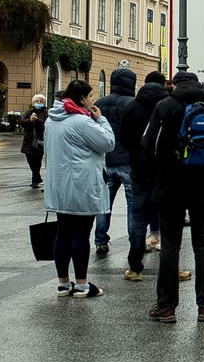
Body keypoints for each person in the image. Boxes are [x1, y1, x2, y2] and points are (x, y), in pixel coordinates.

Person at [144, 72, 204, 324]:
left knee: (171, 246)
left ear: (174, 85)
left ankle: (166, 307)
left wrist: (161, 169)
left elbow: (148, 144)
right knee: (203, 244)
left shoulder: (164, 106)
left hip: (170, 186)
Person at [43, 79, 116, 298]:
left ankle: (64, 284)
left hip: (58, 185)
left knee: (63, 234)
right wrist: (100, 119)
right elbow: (108, 143)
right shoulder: (81, 122)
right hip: (81, 185)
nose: (93, 100)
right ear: (82, 99)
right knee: (81, 234)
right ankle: (83, 285)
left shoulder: (51, 119)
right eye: (91, 96)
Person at [119, 71, 190, 282]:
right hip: (165, 171)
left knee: (139, 219)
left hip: (139, 171)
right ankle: (172, 269)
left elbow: (123, 138)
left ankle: (135, 268)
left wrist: (135, 154)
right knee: (169, 221)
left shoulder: (132, 106)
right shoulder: (170, 106)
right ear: (164, 85)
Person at [93, 68, 137, 257]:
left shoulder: (99, 104)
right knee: (133, 204)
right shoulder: (132, 104)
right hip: (127, 160)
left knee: (104, 203)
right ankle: (134, 241)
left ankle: (100, 240)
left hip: (106, 160)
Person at [20, 94, 48, 188]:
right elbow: (22, 123)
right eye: (37, 101)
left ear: (44, 103)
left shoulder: (46, 113)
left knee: (37, 160)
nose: (39, 102)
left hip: (40, 140)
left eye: (41, 101)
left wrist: (37, 120)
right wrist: (30, 120)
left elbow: (46, 124)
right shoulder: (29, 112)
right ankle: (37, 176)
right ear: (33, 103)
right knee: (29, 159)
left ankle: (34, 179)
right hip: (29, 140)